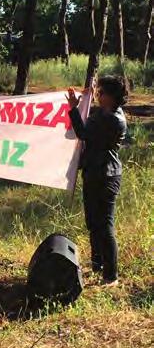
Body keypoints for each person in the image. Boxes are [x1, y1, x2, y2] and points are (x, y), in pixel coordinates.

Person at [67, 75, 128, 286]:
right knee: (93, 223)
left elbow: (83, 132)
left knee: (104, 226)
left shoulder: (112, 119)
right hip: (94, 173)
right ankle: (97, 266)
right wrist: (87, 97)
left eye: (101, 92)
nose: (98, 95)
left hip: (106, 176)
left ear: (111, 97)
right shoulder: (106, 112)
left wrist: (74, 108)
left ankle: (111, 276)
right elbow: (90, 122)